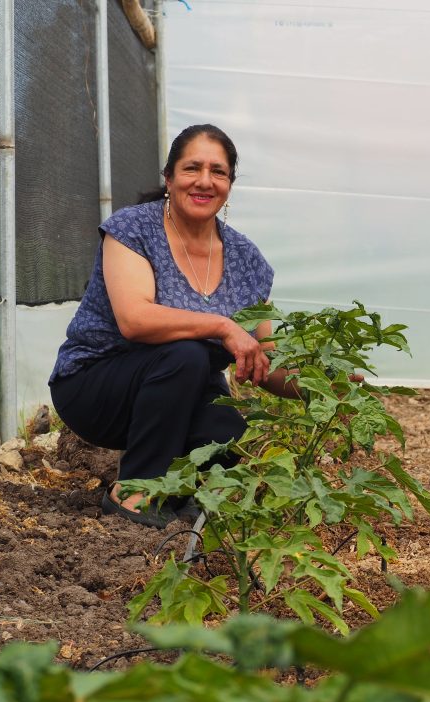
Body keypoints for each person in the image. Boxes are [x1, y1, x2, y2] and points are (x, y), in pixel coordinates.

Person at [49, 124, 297, 527]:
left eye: (218, 172)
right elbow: (135, 320)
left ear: (229, 185)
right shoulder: (133, 229)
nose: (205, 181)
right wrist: (222, 326)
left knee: (226, 426)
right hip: (96, 386)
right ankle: (134, 492)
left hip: (179, 397)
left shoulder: (246, 259)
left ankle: (180, 500)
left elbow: (268, 361)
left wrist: (326, 389)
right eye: (192, 168)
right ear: (169, 178)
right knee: (187, 353)